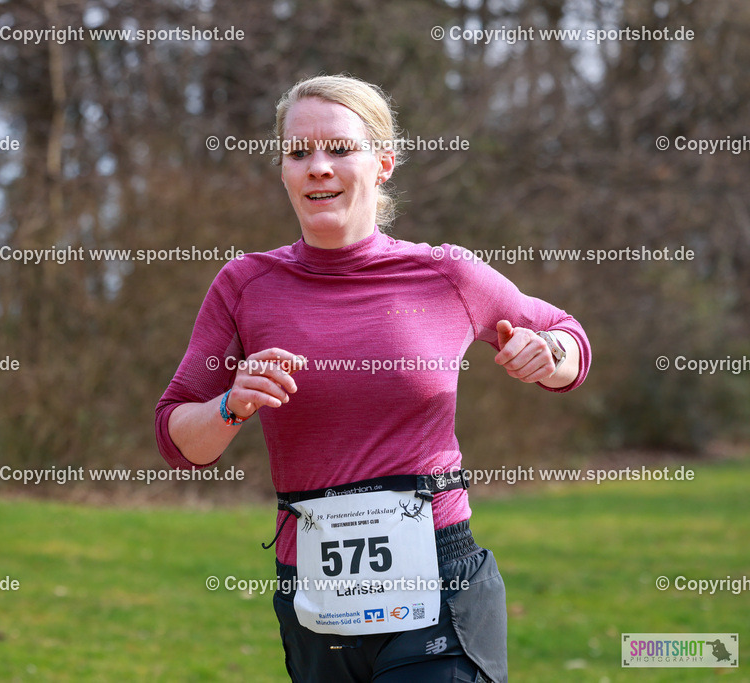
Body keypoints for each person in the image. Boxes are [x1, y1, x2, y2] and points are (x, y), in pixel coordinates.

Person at [155, 74, 591, 683]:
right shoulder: (244, 285)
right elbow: (178, 439)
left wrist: (550, 354)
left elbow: (567, 336)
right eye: (298, 152)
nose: (317, 168)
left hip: (438, 583)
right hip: (313, 592)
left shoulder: (446, 275)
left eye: (339, 149)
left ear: (382, 162)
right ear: (282, 170)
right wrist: (230, 403)